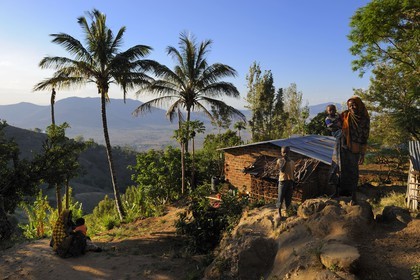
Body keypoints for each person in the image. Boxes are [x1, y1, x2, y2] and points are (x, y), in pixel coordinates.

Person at [340, 96, 370, 205]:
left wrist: (362, 154)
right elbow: (335, 123)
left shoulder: (364, 119)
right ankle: (343, 195)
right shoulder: (345, 115)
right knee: (342, 171)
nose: (352, 107)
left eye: (354, 104)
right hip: (343, 147)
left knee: (353, 172)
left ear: (359, 105)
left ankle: (353, 196)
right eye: (350, 105)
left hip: (355, 149)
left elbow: (364, 137)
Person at [325, 104, 343, 196]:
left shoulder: (338, 116)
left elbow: (342, 122)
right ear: (327, 111)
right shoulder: (327, 119)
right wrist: (338, 124)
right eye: (330, 110)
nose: (331, 111)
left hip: (340, 132)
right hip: (336, 135)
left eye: (333, 110)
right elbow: (330, 126)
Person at [275, 146, 295, 220]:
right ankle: (278, 213)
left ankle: (287, 212)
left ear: (289, 153)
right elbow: (282, 170)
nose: (285, 154)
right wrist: (285, 161)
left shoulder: (292, 162)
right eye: (284, 152)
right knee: (280, 198)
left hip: (290, 182)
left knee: (288, 199)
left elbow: (292, 172)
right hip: (282, 182)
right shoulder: (280, 160)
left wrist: (293, 182)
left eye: (287, 152)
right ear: (281, 153)